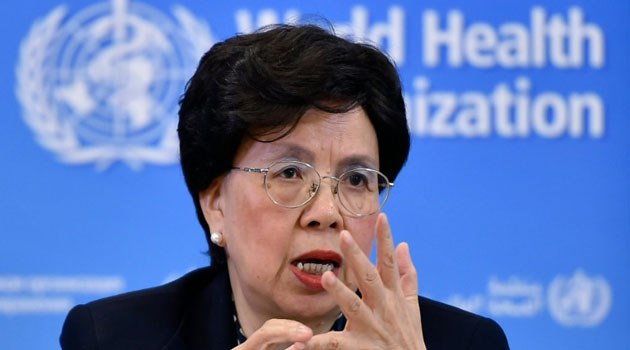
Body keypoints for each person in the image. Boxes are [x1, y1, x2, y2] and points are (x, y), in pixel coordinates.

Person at [60, 24, 509, 350]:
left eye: (356, 179)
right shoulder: (111, 337)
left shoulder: (464, 343)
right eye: (290, 173)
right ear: (215, 202)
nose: (327, 211)